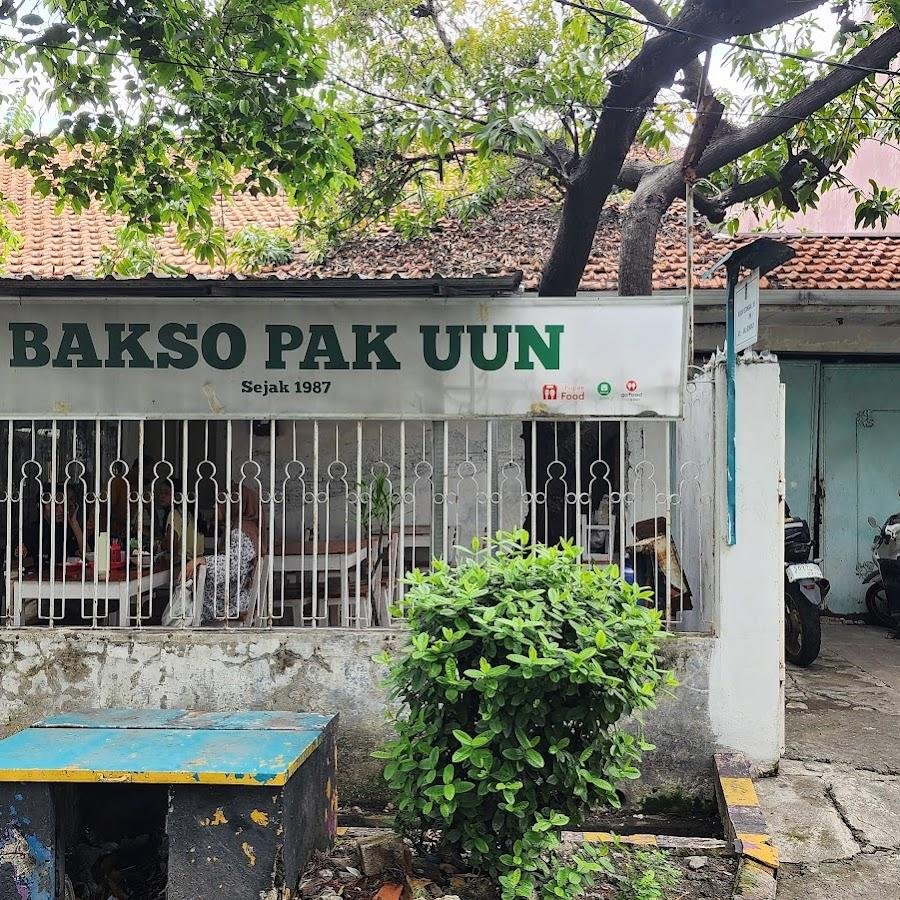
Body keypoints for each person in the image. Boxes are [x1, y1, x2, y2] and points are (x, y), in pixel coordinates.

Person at [169, 484, 263, 625]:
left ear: (235, 504)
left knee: (182, 607)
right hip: (236, 596)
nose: (214, 506)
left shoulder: (241, 531)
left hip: (232, 603)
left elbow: (232, 565)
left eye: (220, 501)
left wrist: (201, 560)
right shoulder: (244, 528)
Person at [17, 484, 87, 565]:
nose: (61, 509)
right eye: (55, 504)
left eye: (62, 504)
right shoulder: (30, 531)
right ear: (41, 506)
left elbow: (87, 555)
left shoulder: (64, 530)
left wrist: (74, 523)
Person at [159, 480, 204, 559]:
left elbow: (170, 545)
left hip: (181, 564)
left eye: (166, 493)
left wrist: (161, 544)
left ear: (177, 496)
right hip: (195, 565)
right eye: (161, 493)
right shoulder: (191, 515)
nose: (162, 496)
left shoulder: (175, 515)